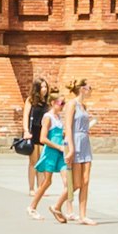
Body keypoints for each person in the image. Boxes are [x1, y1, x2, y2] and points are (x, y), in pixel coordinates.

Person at [58, 79, 97, 223]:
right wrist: (71, 148)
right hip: (74, 141)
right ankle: (57, 205)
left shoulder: (83, 105)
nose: (91, 89)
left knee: (86, 180)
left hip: (85, 141)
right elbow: (67, 127)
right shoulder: (71, 104)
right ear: (82, 89)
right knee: (76, 183)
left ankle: (83, 215)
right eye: (89, 87)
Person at [27, 83, 68, 215]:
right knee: (47, 182)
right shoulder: (48, 117)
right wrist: (58, 146)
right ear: (52, 103)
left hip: (61, 153)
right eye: (61, 103)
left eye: (63, 103)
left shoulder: (59, 118)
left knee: (68, 182)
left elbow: (58, 135)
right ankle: (32, 206)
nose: (62, 106)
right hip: (51, 152)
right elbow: (43, 139)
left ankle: (62, 209)